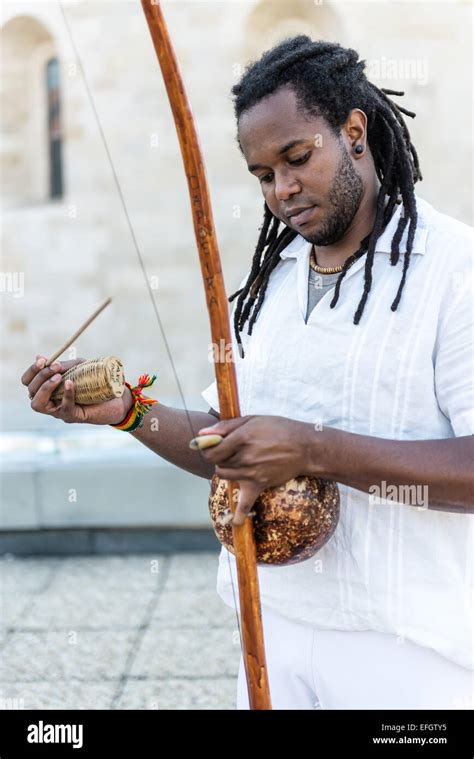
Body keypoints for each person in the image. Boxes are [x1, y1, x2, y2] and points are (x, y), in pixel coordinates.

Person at [21, 37, 473, 710]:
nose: (282, 190)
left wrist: (313, 446)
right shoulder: (272, 284)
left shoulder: (453, 269)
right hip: (274, 626)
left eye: (297, 158)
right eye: (263, 174)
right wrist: (127, 409)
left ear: (354, 131)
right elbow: (232, 443)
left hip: (410, 648)